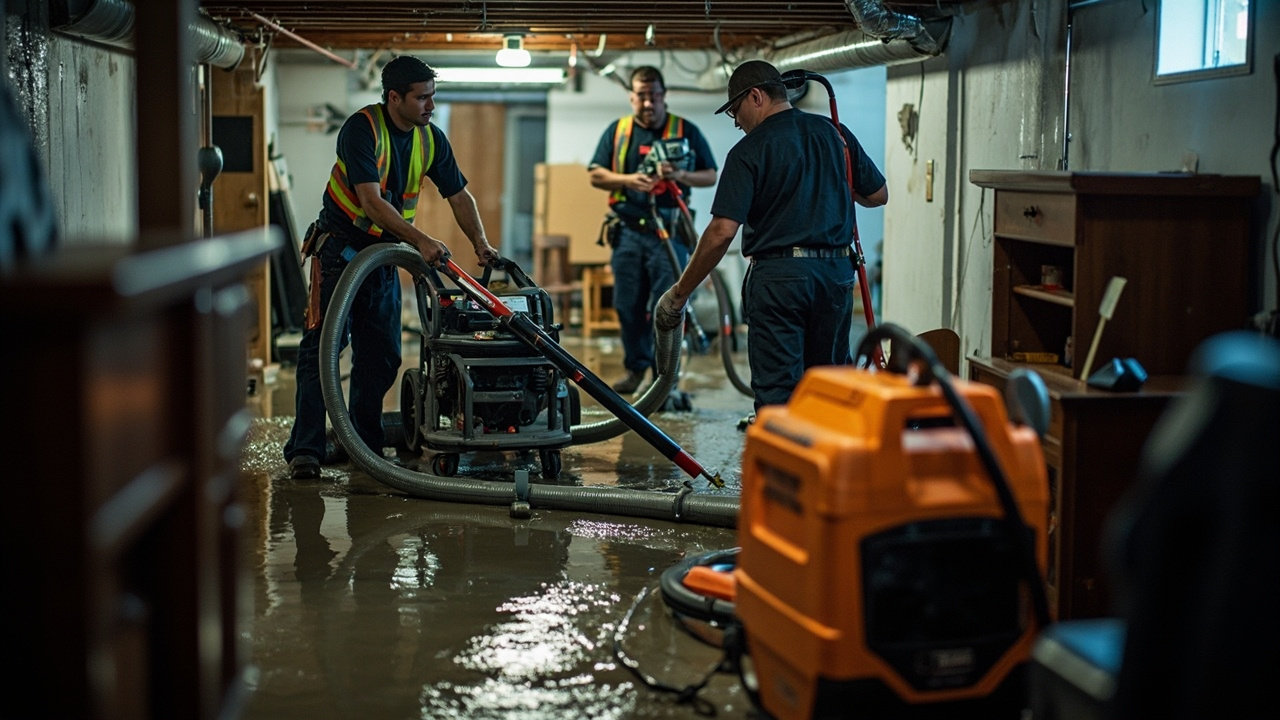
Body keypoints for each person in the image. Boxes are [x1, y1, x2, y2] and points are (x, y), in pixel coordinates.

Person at [285, 55, 500, 479]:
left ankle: (362, 443)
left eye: (433, 97)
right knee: (321, 352)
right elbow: (371, 202)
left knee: (382, 355)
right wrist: (421, 240)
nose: (431, 106)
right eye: (422, 98)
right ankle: (306, 450)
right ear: (394, 97)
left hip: (382, 260)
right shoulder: (361, 130)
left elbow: (459, 196)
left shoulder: (430, 139)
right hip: (339, 255)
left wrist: (481, 243)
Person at [654, 60, 888, 418]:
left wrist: (679, 294)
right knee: (830, 385)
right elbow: (877, 195)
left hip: (779, 280)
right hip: (836, 277)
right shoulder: (835, 133)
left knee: (779, 392)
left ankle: (782, 467)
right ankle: (827, 468)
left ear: (756, 97)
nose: (735, 121)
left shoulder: (749, 151)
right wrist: (825, 180)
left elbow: (721, 232)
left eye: (735, 109)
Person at [588, 66, 718, 394]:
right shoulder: (617, 132)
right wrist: (629, 180)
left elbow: (710, 174)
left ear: (664, 96)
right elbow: (595, 175)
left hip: (671, 233)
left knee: (668, 306)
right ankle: (636, 370)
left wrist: (680, 177)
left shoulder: (685, 130)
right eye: (642, 96)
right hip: (629, 231)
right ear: (632, 97)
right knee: (627, 304)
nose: (648, 104)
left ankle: (665, 380)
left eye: (654, 96)